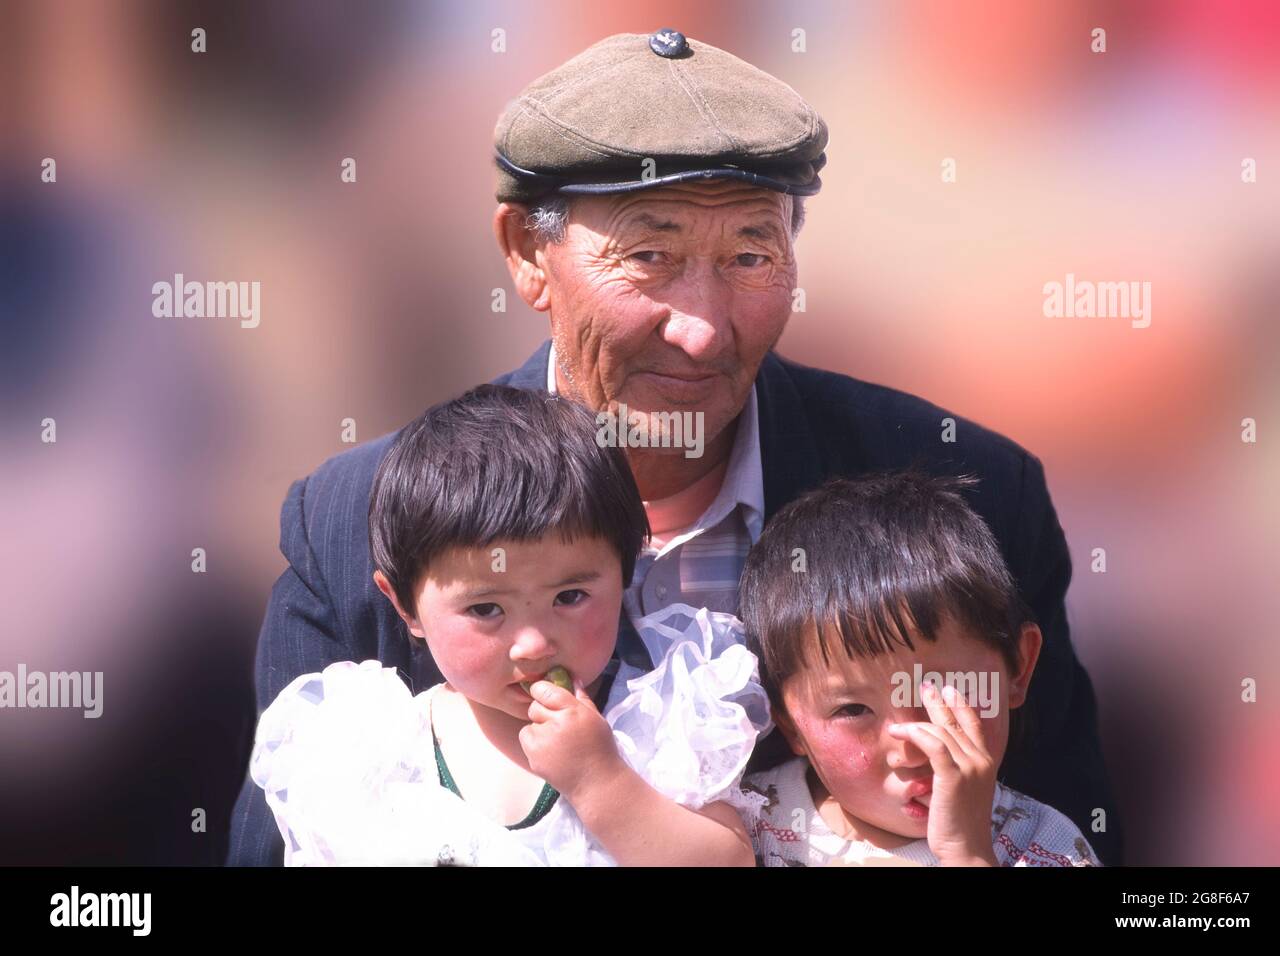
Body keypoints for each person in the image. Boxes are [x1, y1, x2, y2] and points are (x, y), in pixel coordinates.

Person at [227, 29, 1121, 865]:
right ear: (525, 254)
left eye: (749, 256)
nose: (701, 330)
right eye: (649, 258)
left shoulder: (973, 493)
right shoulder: (352, 521)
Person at [248, 384, 768, 865]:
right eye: (485, 609)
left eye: (570, 596)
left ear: (626, 574)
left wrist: (601, 784)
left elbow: (730, 860)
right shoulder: (374, 751)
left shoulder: (654, 726)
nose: (533, 644)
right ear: (405, 606)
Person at [736, 470, 1099, 867]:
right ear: (789, 723)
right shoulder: (746, 827)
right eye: (852, 709)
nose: (911, 749)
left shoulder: (1046, 845)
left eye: (941, 693)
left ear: (1019, 667)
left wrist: (969, 854)